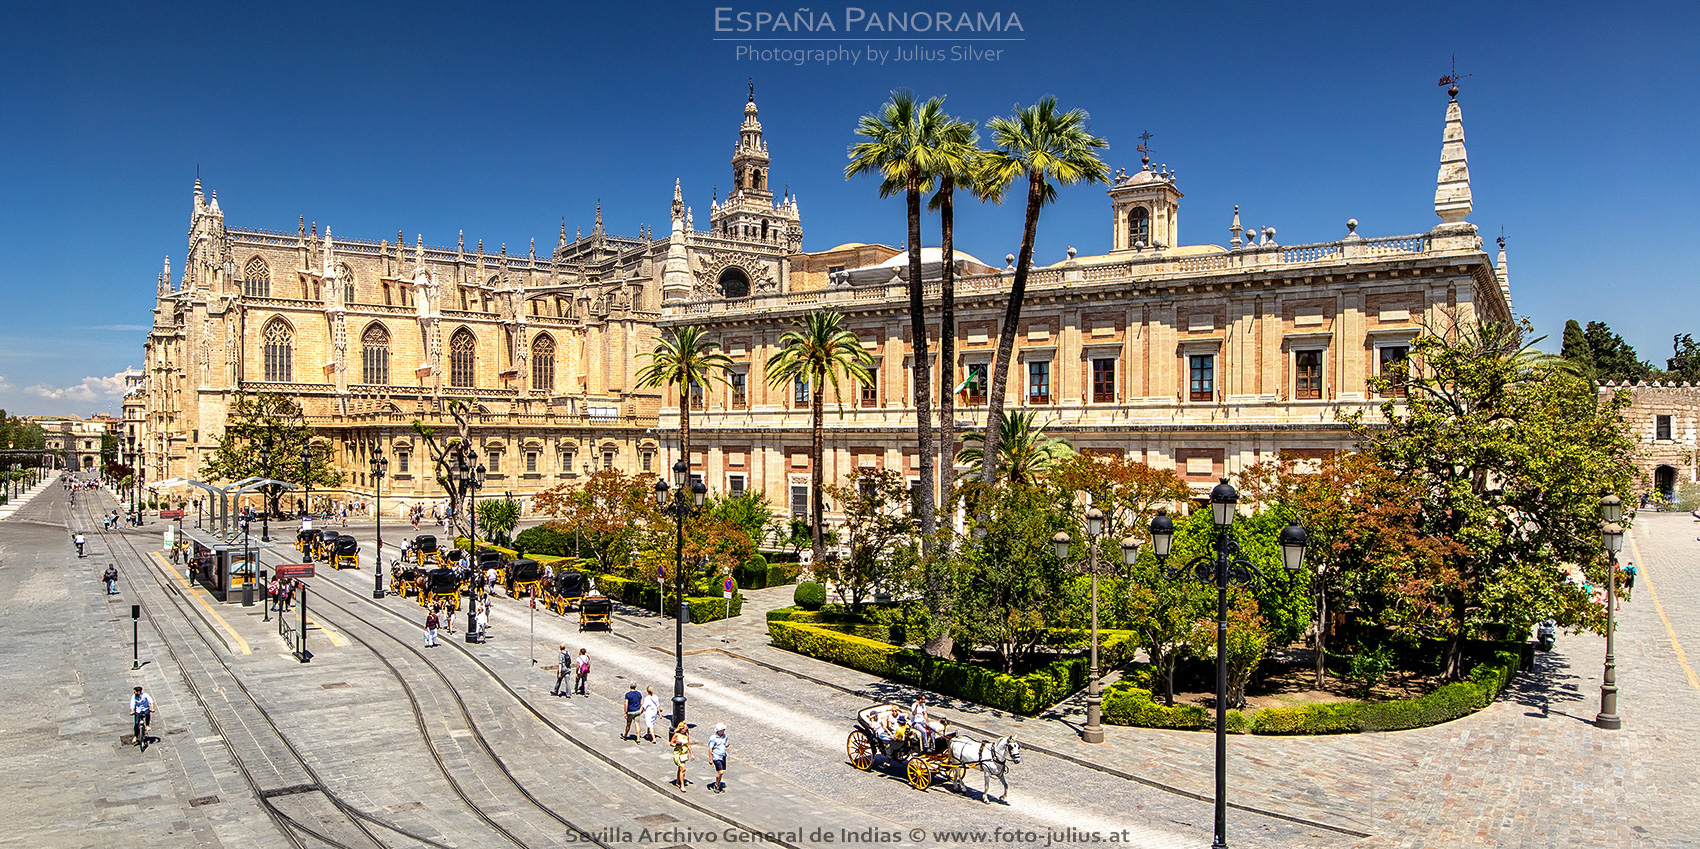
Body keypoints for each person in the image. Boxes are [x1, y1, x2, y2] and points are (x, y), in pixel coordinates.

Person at [130, 686, 154, 750]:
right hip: (138, 710)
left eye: (135, 691)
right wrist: (132, 711)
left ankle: (147, 725)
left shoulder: (145, 695)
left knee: (147, 714)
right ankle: (136, 736)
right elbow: (132, 704)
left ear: (138, 692)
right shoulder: (134, 697)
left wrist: (152, 708)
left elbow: (150, 701)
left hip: (145, 708)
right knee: (136, 723)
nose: (134, 692)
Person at [669, 722, 692, 789]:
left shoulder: (686, 735)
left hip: (684, 754)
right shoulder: (677, 735)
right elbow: (671, 743)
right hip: (678, 754)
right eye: (685, 728)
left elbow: (688, 744)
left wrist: (691, 753)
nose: (686, 729)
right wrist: (677, 745)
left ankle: (678, 781)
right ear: (682, 728)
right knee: (683, 769)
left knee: (680, 769)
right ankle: (682, 785)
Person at [707, 723, 729, 792]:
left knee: (722, 772)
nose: (724, 731)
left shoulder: (724, 736)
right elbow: (710, 748)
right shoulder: (713, 738)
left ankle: (718, 784)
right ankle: (716, 785)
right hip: (716, 756)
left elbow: (724, 743)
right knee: (720, 772)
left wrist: (726, 745)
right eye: (722, 730)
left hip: (723, 755)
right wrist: (710, 759)